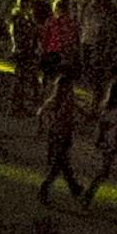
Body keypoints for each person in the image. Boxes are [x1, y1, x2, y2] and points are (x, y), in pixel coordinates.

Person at [81, 81, 117, 211]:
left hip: (110, 142)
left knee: (105, 172)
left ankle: (89, 195)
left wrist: (100, 139)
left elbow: (102, 125)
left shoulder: (107, 107)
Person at [35, 74, 84, 206]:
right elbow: (42, 113)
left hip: (62, 135)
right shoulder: (58, 102)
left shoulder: (62, 101)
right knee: (58, 164)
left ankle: (74, 187)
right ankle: (46, 188)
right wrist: (43, 126)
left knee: (62, 163)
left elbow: (41, 113)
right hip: (58, 136)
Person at [8, 0, 46, 116]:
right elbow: (23, 36)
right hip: (23, 52)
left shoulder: (25, 19)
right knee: (20, 80)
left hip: (26, 52)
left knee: (22, 80)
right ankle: (16, 107)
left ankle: (19, 106)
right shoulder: (20, 20)